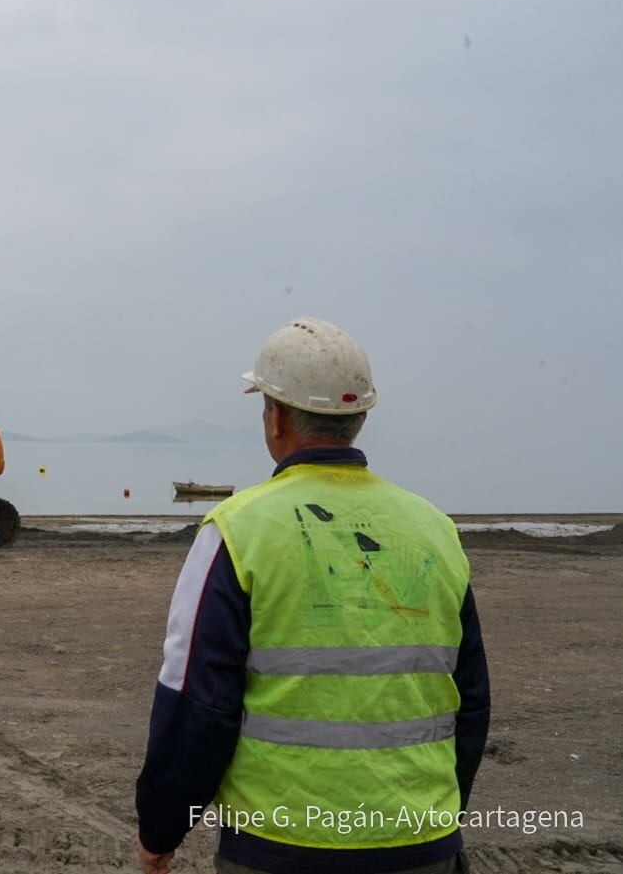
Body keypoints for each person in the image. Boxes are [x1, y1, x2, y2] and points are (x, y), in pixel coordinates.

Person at [133, 317, 490, 874]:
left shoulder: (236, 531)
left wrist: (161, 829)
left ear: (274, 417)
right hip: (420, 843)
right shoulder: (434, 530)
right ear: (360, 417)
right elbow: (470, 701)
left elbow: (197, 705)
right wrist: (440, 817)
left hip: (278, 847)